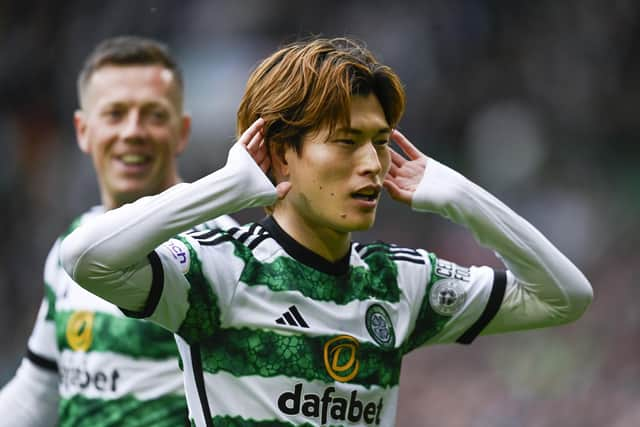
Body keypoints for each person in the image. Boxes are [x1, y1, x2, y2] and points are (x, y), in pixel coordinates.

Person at [60, 37, 593, 426]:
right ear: (280, 153)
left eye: (380, 141)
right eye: (345, 142)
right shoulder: (217, 272)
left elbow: (565, 297)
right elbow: (86, 258)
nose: (373, 165)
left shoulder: (402, 282)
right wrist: (226, 186)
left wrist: (464, 201)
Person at [0, 35, 236, 426]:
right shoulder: (72, 244)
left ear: (182, 131)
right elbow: (37, 392)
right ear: (83, 130)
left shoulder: (220, 248)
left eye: (154, 115)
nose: (133, 131)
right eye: (115, 113)